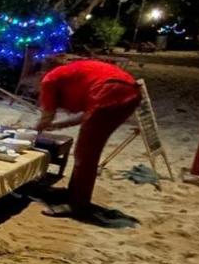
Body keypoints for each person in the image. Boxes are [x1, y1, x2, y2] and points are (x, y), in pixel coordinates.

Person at [34, 58, 141, 219]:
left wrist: (34, 130)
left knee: (86, 153)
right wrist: (58, 125)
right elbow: (88, 115)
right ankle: (73, 193)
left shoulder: (49, 80)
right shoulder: (70, 74)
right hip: (129, 93)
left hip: (111, 92)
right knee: (88, 149)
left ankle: (77, 205)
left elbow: (46, 117)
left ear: (40, 74)